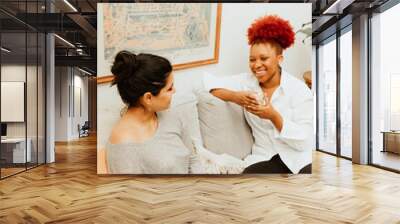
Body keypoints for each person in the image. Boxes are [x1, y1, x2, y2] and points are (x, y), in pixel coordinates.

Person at [99, 51, 244, 174]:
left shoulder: (171, 113)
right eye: (169, 88)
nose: (174, 91)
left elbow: (193, 159)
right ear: (148, 98)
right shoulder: (124, 146)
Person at [203, 15, 313, 174]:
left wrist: (273, 116)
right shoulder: (245, 83)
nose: (256, 65)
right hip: (263, 159)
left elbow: (304, 141)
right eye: (252, 59)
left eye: (264, 58)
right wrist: (235, 97)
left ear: (279, 59)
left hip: (297, 159)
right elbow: (208, 84)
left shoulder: (298, 90)